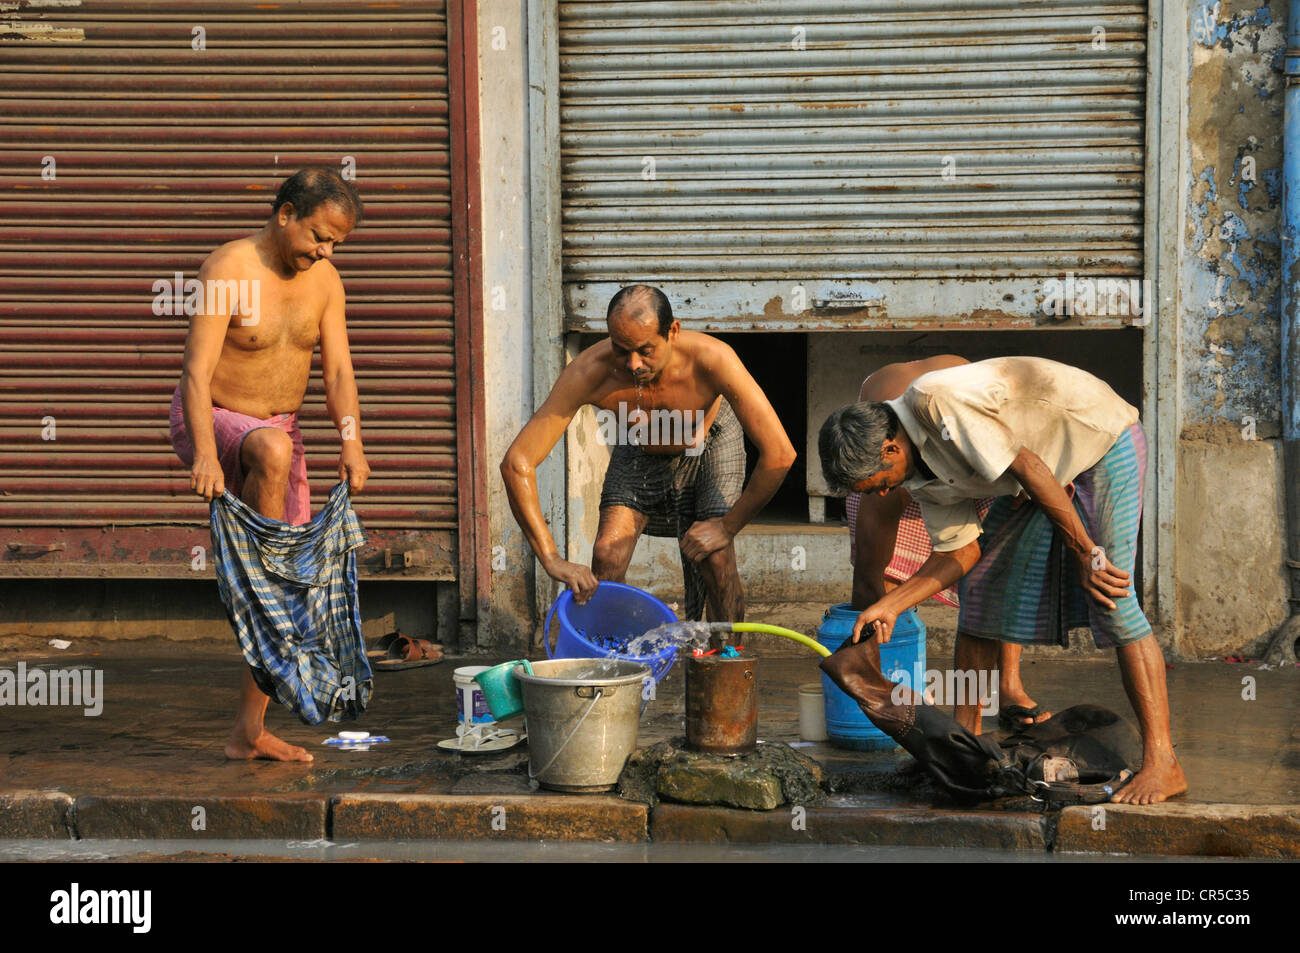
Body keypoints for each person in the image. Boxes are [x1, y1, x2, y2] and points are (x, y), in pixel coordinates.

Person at [818, 356, 1186, 804]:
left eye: (877, 482)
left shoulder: (937, 404)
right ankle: (963, 748)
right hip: (1036, 472)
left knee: (1111, 596)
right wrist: (891, 604)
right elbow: (960, 553)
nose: (880, 494)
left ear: (891, 449)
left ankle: (1164, 762)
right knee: (980, 595)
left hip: (1101, 442)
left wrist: (1086, 552)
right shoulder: (914, 473)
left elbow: (1030, 467)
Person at [171, 167, 385, 762]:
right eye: (318, 235)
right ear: (285, 213)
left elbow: (338, 373)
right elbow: (193, 373)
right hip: (213, 418)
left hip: (281, 434)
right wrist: (208, 456)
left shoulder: (326, 283)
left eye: (335, 244)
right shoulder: (227, 269)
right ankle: (264, 562)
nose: (324, 251)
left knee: (286, 590)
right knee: (270, 449)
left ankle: (249, 732)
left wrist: (351, 441)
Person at [501, 284, 796, 622]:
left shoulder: (714, 358)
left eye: (645, 350)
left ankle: (724, 661)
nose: (633, 364)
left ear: (673, 331)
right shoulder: (588, 372)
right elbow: (516, 462)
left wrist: (727, 528)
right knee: (607, 555)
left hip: (711, 440)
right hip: (641, 444)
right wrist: (551, 558)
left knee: (716, 558)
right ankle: (616, 663)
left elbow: (780, 453)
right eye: (620, 350)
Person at [848, 355, 1043, 728]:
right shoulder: (878, 481)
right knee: (884, 582)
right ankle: (895, 680)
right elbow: (871, 578)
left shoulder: (967, 442)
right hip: (904, 447)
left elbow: (975, 560)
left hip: (979, 454)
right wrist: (866, 665)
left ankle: (1008, 685)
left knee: (992, 575)